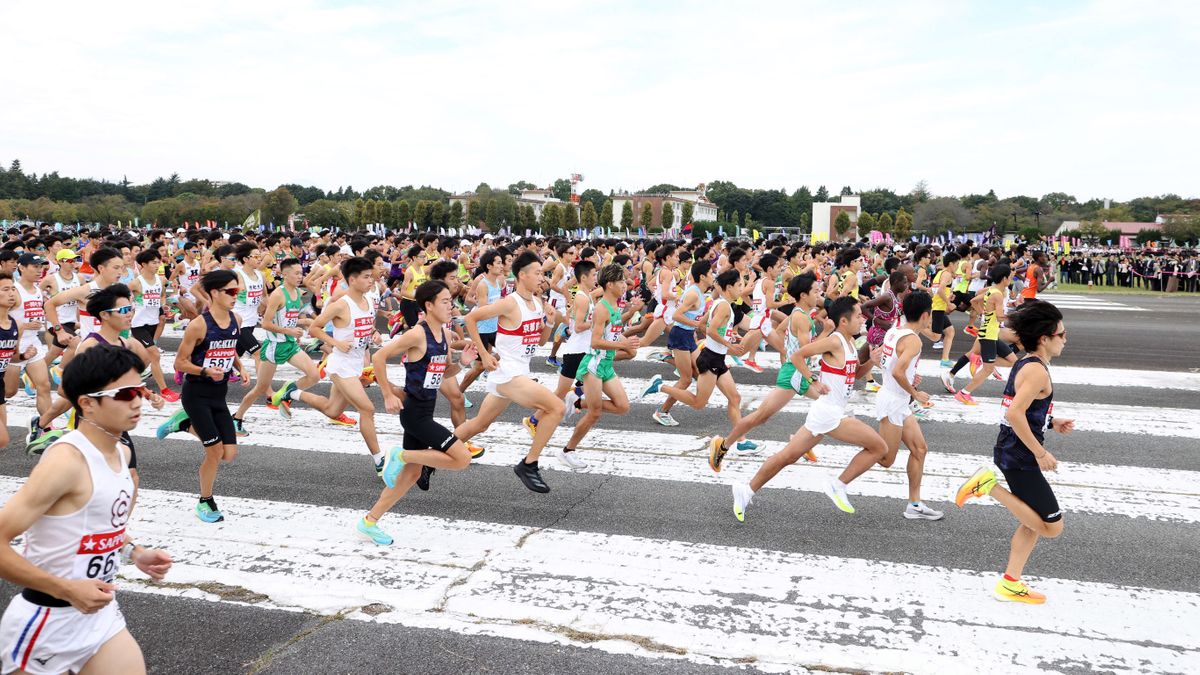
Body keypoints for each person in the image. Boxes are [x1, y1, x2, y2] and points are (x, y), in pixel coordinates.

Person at [0, 344, 172, 675]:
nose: (137, 401)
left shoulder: (120, 453)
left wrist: (135, 552)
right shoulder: (66, 460)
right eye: (124, 394)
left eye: (139, 389)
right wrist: (66, 589)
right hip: (47, 622)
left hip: (100, 618)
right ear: (87, 404)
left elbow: (95, 523)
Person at [956, 300, 1074, 604]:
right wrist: (1039, 452)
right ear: (1045, 338)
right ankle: (987, 486)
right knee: (1052, 527)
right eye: (1062, 334)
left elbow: (1020, 408)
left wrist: (1050, 421)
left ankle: (1010, 581)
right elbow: (1015, 414)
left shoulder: (1028, 362)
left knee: (1032, 521)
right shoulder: (1037, 371)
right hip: (1020, 457)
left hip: (1012, 451)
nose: (1066, 339)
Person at [731, 296, 889, 520]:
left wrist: (871, 361)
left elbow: (853, 376)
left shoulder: (850, 343)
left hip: (828, 412)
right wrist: (812, 379)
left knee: (787, 456)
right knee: (879, 447)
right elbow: (797, 355)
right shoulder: (834, 341)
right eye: (857, 316)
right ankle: (838, 485)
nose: (862, 319)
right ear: (843, 321)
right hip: (830, 414)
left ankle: (745, 490)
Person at [357, 281, 477, 544]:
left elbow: (443, 374)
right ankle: (399, 455)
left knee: (410, 475)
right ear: (429, 305)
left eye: (451, 301)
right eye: (445, 301)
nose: (451, 306)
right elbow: (379, 357)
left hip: (426, 409)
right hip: (414, 413)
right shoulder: (417, 334)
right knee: (461, 458)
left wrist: (462, 364)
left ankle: (370, 521)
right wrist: (388, 393)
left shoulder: (445, 336)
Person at [452, 251, 564, 493]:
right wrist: (484, 354)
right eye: (537, 273)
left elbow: (541, 342)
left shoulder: (537, 303)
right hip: (508, 373)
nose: (541, 277)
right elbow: (471, 319)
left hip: (520, 370)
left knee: (480, 424)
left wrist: (551, 322)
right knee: (556, 407)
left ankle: (433, 454)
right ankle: (529, 464)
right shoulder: (509, 302)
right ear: (522, 275)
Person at [709, 273, 827, 471]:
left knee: (827, 407)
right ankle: (723, 446)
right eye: (815, 291)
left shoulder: (798, 314)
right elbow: (806, 350)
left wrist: (787, 351)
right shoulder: (802, 318)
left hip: (796, 370)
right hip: (795, 374)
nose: (819, 294)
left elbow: (780, 332)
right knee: (761, 416)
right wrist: (826, 335)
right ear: (804, 295)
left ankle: (801, 441)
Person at [156, 270, 247, 523]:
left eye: (237, 291)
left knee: (229, 454)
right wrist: (205, 370)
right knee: (214, 453)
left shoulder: (236, 319)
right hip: (196, 394)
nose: (235, 296)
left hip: (220, 395)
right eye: (230, 291)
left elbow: (229, 349)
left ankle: (183, 424)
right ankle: (205, 502)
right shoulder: (199, 324)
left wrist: (240, 368)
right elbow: (179, 362)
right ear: (214, 293)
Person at [308, 257, 387, 477]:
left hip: (355, 365)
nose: (371, 281)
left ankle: (292, 393)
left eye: (371, 276)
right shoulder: (341, 304)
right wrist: (336, 343)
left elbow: (367, 326)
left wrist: (374, 333)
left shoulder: (369, 301)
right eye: (366, 277)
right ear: (352, 279)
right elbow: (315, 329)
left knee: (333, 410)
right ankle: (380, 461)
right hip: (340, 366)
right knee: (367, 409)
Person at [556, 263, 640, 468]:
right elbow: (594, 342)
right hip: (593, 365)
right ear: (609, 284)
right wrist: (623, 344)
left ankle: (575, 401)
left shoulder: (614, 306)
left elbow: (613, 331)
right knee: (595, 413)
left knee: (622, 406)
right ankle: (567, 451)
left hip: (606, 364)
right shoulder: (602, 308)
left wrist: (628, 345)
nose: (625, 285)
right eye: (621, 281)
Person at [873, 290, 943, 520]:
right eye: (931, 314)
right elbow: (896, 370)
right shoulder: (913, 340)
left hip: (897, 399)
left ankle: (914, 504)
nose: (931, 318)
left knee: (920, 449)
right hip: (893, 401)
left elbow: (882, 360)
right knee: (885, 459)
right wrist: (915, 392)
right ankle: (841, 435)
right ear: (925, 315)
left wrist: (910, 378)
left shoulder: (894, 331)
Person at [127, 249, 179, 401]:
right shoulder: (136, 283)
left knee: (144, 358)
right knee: (154, 355)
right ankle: (164, 390)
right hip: (139, 325)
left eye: (159, 262)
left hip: (153, 324)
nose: (158, 265)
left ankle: (127, 381)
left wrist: (163, 305)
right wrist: (127, 308)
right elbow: (120, 294)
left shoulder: (160, 280)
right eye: (154, 262)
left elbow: (162, 294)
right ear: (143, 264)